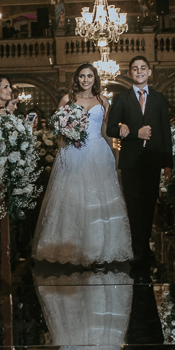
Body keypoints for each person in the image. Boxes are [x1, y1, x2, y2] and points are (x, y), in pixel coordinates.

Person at [32, 63, 133, 265]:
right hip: (73, 151)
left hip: (97, 151)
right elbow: (57, 127)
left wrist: (116, 146)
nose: (85, 80)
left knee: (98, 196)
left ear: (95, 78)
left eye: (89, 76)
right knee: (72, 197)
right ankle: (70, 247)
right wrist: (68, 133)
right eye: (81, 76)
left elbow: (107, 130)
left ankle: (100, 247)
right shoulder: (67, 100)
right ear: (76, 79)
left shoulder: (102, 100)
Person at [106, 56, 174, 267]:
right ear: (129, 73)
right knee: (134, 207)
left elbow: (165, 132)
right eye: (135, 69)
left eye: (143, 68)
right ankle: (137, 250)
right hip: (131, 161)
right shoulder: (121, 99)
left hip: (153, 161)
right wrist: (134, 132)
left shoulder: (160, 99)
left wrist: (168, 163)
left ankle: (145, 245)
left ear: (149, 72)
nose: (139, 71)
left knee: (148, 206)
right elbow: (110, 130)